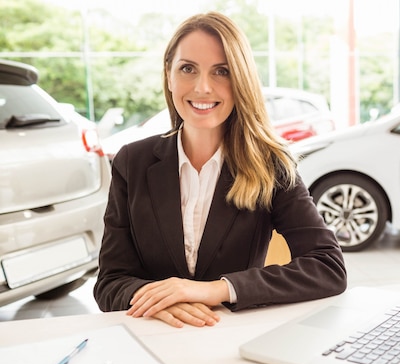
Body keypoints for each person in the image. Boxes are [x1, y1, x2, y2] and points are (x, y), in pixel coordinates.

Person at [93, 11, 347, 328]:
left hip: (231, 337)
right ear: (169, 75)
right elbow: (109, 283)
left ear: (240, 80)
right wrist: (157, 300)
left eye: (221, 72)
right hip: (153, 335)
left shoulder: (270, 165)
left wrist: (213, 290)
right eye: (188, 69)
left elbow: (328, 267)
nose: (202, 87)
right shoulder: (132, 162)